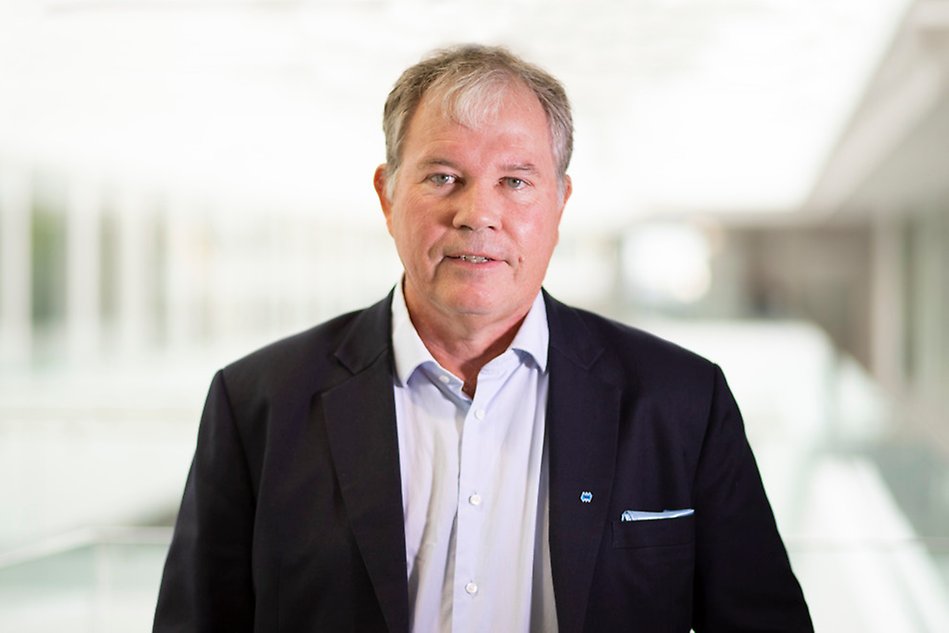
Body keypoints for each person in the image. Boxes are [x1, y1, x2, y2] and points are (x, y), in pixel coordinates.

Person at [153, 44, 813, 633]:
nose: (477, 213)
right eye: (443, 177)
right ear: (387, 196)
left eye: (515, 182)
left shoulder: (680, 402)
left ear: (559, 202)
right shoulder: (258, 402)